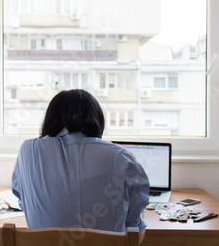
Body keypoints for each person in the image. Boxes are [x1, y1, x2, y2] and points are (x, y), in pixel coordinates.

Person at [11, 89, 149, 238]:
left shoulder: (28, 151)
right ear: (96, 118)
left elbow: (22, 199)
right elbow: (134, 219)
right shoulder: (121, 157)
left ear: (50, 118)